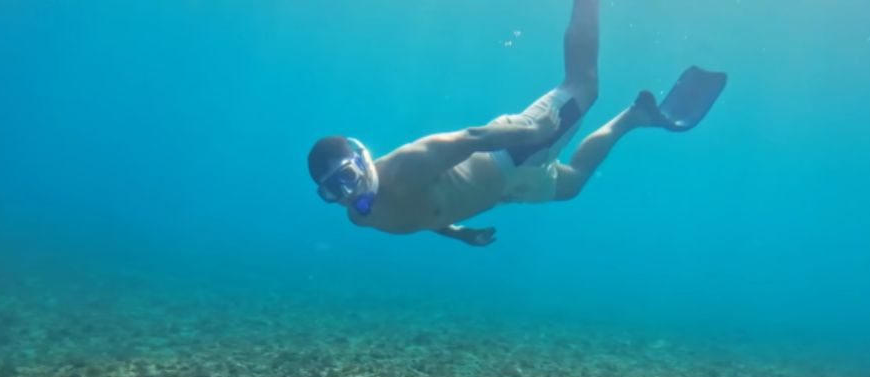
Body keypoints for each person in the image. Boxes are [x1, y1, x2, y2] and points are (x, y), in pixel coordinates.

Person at [307, 0, 727, 246]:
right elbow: (420, 215)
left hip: (513, 149)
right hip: (508, 189)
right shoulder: (361, 217)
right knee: (572, 185)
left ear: (361, 159)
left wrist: (533, 133)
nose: (347, 194)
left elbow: (472, 138)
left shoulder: (405, 166)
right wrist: (458, 234)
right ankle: (636, 117)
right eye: (333, 191)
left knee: (583, 83)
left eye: (345, 178)